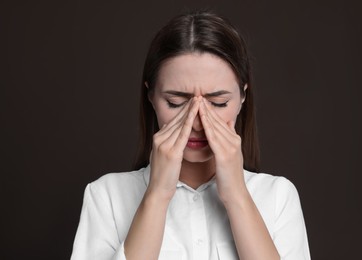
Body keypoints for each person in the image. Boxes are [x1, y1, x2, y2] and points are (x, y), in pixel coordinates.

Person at [71, 11, 310, 260]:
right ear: (151, 97)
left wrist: (237, 195)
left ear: (242, 97)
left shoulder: (278, 197)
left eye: (218, 102)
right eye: (176, 103)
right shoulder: (107, 196)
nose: (196, 122)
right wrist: (157, 195)